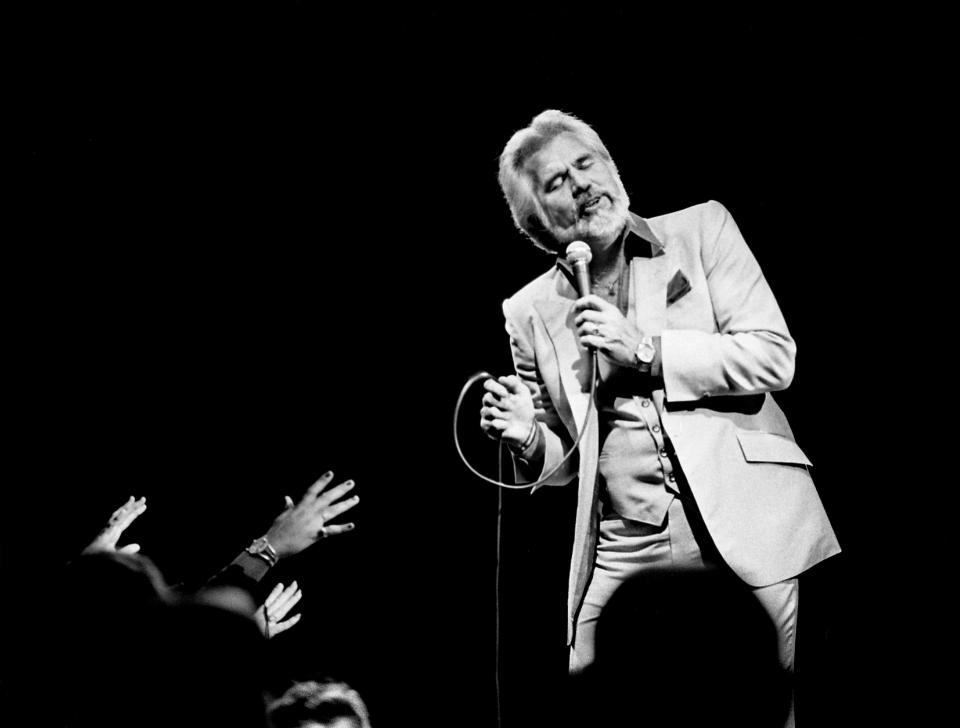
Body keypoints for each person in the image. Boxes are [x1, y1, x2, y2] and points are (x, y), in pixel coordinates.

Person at [481, 109, 840, 725]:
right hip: (625, 540)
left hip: (742, 515)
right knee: (596, 706)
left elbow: (774, 356)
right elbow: (566, 461)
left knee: (756, 707)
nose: (581, 183)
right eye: (556, 182)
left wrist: (645, 352)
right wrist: (526, 440)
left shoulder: (701, 229)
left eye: (586, 163)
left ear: (612, 166)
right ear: (536, 223)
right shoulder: (529, 310)